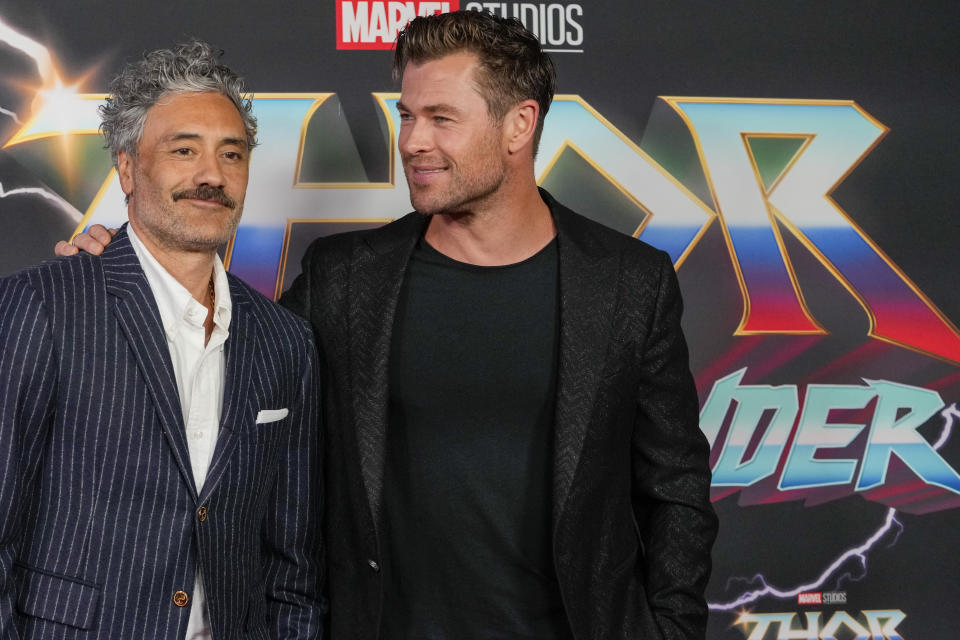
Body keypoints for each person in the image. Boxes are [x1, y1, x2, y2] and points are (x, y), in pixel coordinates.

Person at [62, 11, 717, 640]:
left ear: (520, 126)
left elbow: (675, 486)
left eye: (440, 118)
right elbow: (227, 370)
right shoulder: (347, 279)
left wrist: (672, 628)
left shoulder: (630, 280)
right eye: (406, 115)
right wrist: (137, 279)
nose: (412, 141)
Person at [5, 42, 323, 638]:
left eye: (232, 154)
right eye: (184, 150)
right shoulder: (42, 306)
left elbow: (292, 568)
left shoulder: (285, 341)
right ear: (126, 167)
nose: (212, 175)